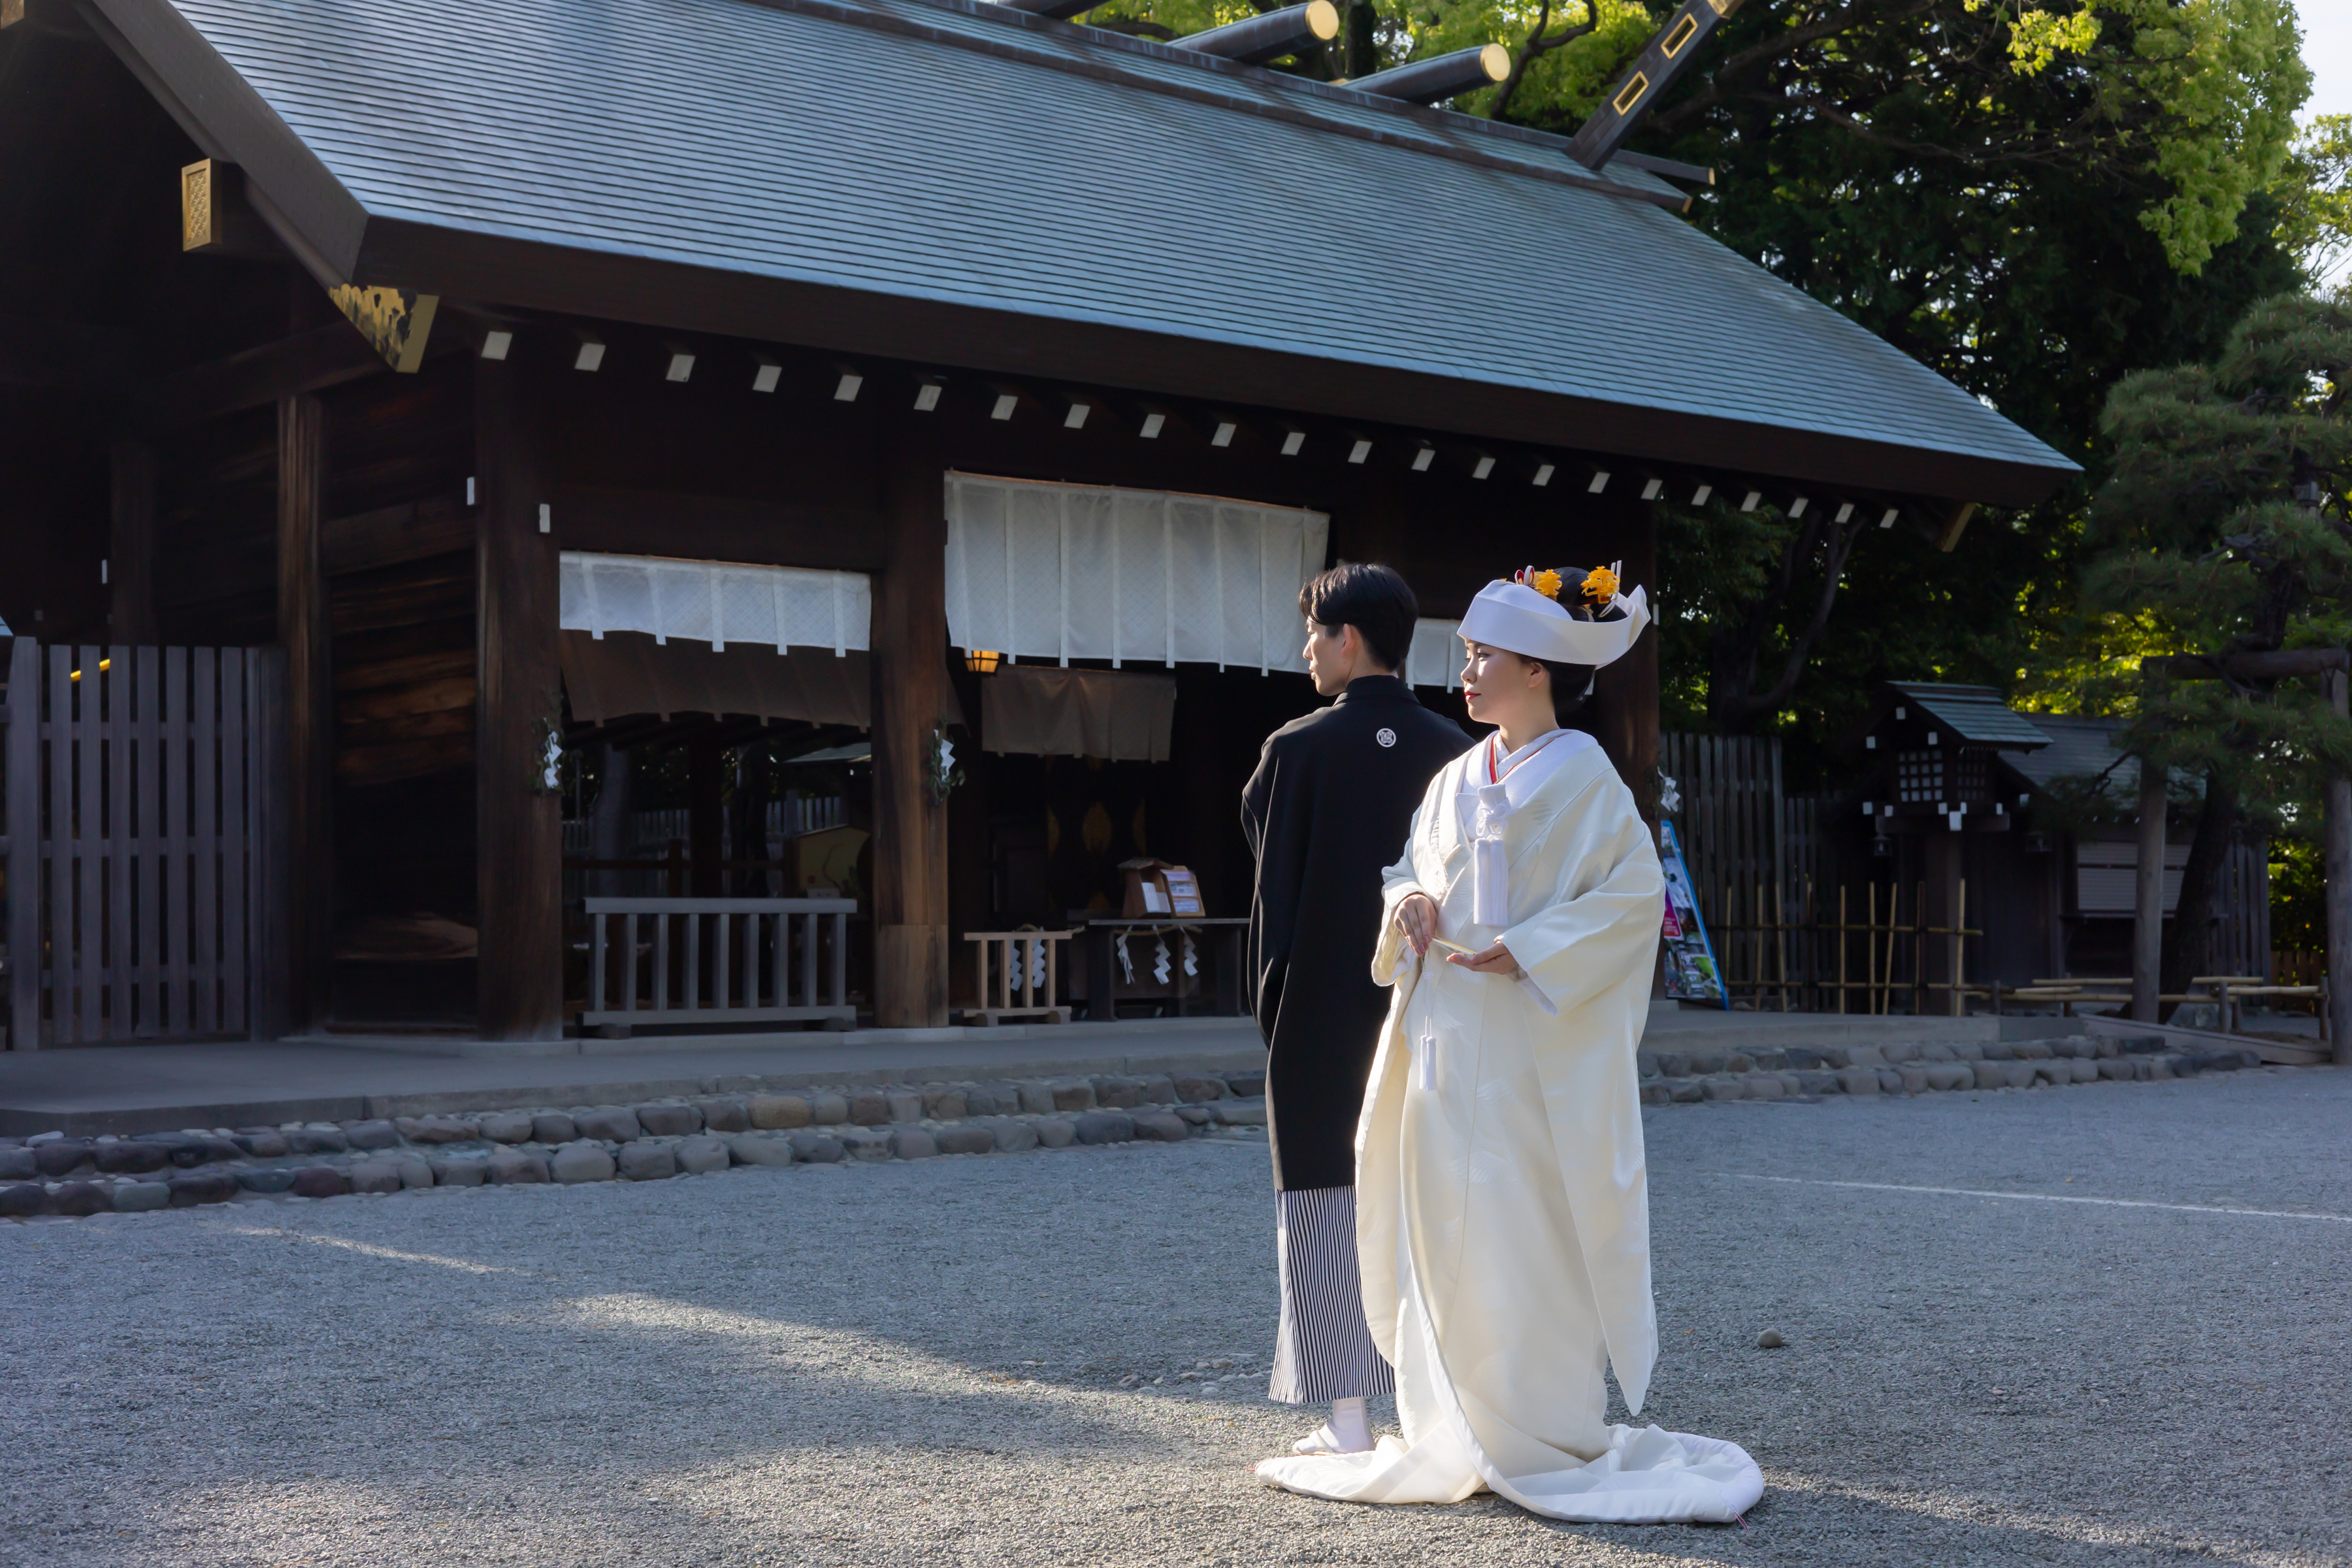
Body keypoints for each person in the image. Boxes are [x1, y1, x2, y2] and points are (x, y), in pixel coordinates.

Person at [1254, 566, 1763, 1523]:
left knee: (1528, 1234)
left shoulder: (1586, 780)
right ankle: (1452, 1424)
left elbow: (1627, 902)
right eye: (1470, 654)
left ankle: (1537, 1427)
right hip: (1446, 1039)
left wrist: (1529, 948)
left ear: (1539, 671)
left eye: (1485, 657)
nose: (1469, 672)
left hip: (1533, 1051)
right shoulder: (1455, 775)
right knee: (1443, 1230)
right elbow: (1410, 865)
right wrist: (1405, 899)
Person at [1241, 562, 1469, 1458]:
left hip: (1324, 1011)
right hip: (1432, 1007)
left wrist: (1273, 1007)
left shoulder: (1294, 752)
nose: (1306, 650)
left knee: (1326, 1194)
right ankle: (1440, 1407)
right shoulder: (1455, 750)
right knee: (1430, 1194)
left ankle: (1346, 1418)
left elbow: (1274, 890)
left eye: (1313, 633)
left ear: (1346, 639)